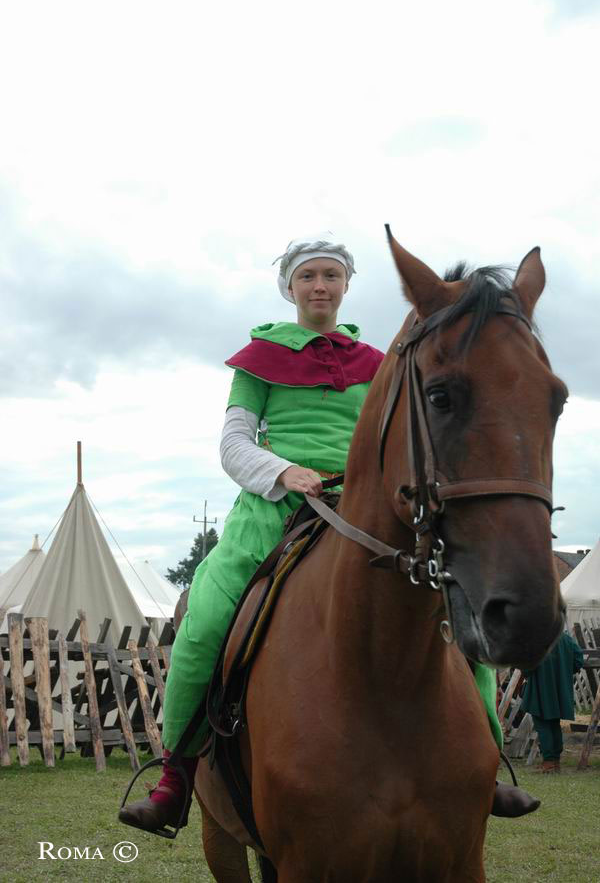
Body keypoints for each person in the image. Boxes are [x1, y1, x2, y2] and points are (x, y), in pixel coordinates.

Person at [119, 232, 536, 835]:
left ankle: (484, 761)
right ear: (290, 287)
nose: (320, 286)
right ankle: (175, 777)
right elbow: (233, 443)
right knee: (205, 622)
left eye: (331, 276)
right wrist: (283, 472)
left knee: (449, 608)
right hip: (276, 508)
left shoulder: (378, 362)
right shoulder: (258, 359)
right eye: (309, 276)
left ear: (346, 286)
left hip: (364, 507)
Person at [521, 629, 585, 772]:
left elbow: (526, 667)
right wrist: (563, 671)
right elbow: (578, 660)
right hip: (559, 688)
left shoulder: (536, 639)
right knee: (554, 723)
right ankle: (555, 761)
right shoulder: (566, 639)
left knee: (543, 724)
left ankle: (549, 762)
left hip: (540, 687)